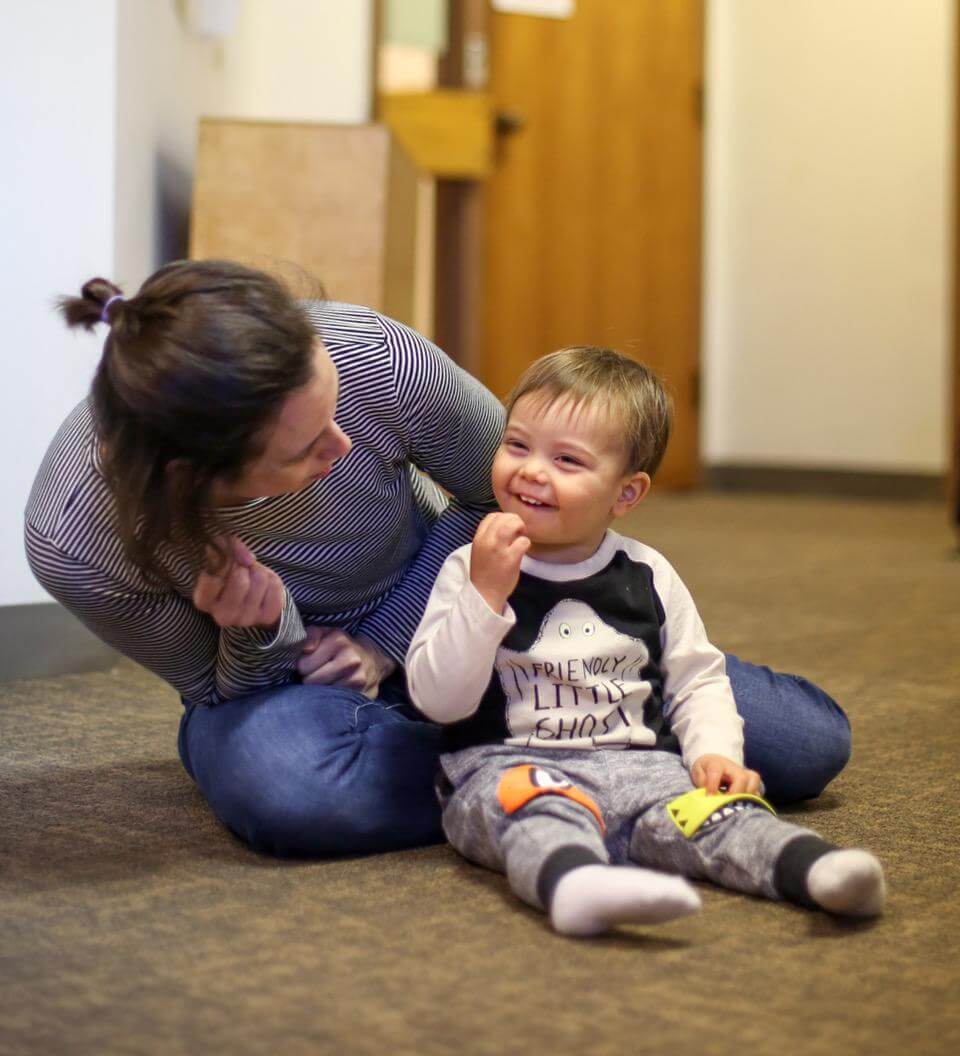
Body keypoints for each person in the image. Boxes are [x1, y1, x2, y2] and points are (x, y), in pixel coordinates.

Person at [27, 260, 850, 858]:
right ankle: (591, 758)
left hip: (468, 605)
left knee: (805, 746)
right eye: (309, 450)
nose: (344, 446)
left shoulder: (368, 356)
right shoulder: (76, 542)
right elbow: (215, 688)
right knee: (288, 787)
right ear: (196, 480)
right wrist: (264, 628)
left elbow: (502, 495)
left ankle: (537, 760)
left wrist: (387, 638)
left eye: (335, 411)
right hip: (292, 689)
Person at [405, 347, 884, 935]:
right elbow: (438, 700)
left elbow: (696, 678)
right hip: (512, 764)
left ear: (626, 495)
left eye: (567, 460)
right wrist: (485, 597)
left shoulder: (647, 572)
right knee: (534, 815)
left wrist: (716, 754)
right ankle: (576, 883)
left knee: (722, 818)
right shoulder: (469, 567)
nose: (531, 470)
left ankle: (815, 870)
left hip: (642, 767)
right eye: (518, 445)